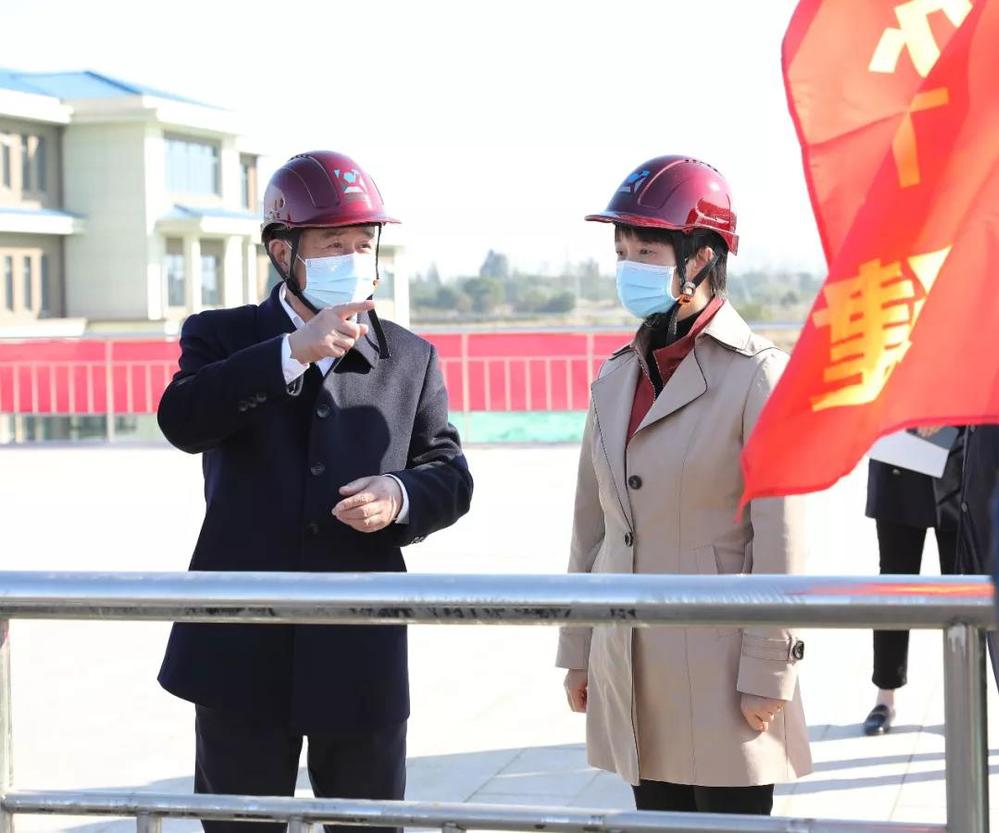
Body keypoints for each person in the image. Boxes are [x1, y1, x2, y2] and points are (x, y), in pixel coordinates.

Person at [156, 150, 473, 833]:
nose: (353, 258)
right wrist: (291, 351)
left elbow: (450, 473)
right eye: (333, 244)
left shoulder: (410, 356)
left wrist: (400, 494)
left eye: (363, 243)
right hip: (239, 647)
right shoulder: (221, 335)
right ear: (283, 252)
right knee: (239, 824)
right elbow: (182, 421)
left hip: (359, 647)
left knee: (368, 823)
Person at [556, 155, 812, 817]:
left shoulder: (756, 375)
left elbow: (779, 538)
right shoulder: (615, 377)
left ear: (700, 258)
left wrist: (770, 668)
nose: (628, 267)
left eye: (646, 251)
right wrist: (579, 649)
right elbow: (593, 527)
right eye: (621, 252)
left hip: (723, 669)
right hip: (631, 664)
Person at [862, 434, 962, 736]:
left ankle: (965, 698)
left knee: (963, 592)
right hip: (900, 449)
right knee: (895, 583)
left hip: (960, 457)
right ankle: (885, 695)